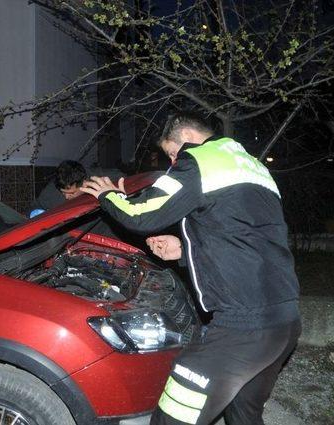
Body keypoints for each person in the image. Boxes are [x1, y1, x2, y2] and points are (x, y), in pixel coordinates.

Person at [80, 112, 300, 425]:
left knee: (171, 418)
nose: (173, 163)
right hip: (284, 323)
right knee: (243, 415)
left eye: (172, 153)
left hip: (243, 328)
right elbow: (246, 238)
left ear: (187, 136)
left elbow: (142, 215)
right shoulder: (252, 165)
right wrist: (184, 250)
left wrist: (108, 195)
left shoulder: (200, 160)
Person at [30, 159, 122, 215]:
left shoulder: (105, 180)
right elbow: (35, 207)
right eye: (63, 192)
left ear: (85, 183)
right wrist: (36, 212)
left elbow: (126, 180)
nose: (66, 197)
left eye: (72, 193)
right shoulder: (52, 191)